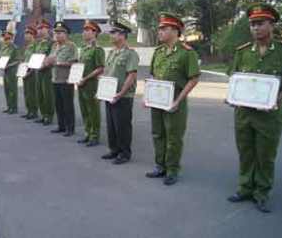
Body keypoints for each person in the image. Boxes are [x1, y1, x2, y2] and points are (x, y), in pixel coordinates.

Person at [226, 3, 282, 213]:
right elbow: (235, 78)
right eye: (252, 24)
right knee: (245, 152)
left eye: (260, 23)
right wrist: (232, 96)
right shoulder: (243, 52)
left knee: (265, 155)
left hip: (269, 116)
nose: (255, 28)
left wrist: (275, 100)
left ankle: (261, 192)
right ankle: (244, 187)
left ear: (272, 25)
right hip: (243, 114)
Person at [146, 12, 201, 186]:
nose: (159, 31)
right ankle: (160, 165)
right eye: (159, 28)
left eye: (164, 28)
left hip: (175, 101)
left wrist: (178, 101)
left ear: (175, 31)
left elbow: (193, 79)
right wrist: (149, 96)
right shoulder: (159, 52)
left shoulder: (186, 53)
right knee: (157, 134)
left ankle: (172, 170)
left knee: (173, 137)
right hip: (157, 101)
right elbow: (154, 76)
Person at [101, 20, 139, 165]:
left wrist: (121, 93)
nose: (111, 36)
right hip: (109, 94)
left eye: (114, 33)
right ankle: (114, 150)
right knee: (111, 124)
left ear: (123, 35)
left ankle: (124, 153)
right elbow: (108, 73)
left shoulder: (130, 53)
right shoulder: (111, 53)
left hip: (123, 96)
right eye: (111, 33)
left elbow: (131, 76)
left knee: (122, 125)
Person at [46, 21, 78, 136]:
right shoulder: (54, 46)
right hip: (55, 79)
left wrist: (58, 62)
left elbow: (74, 62)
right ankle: (61, 126)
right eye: (55, 32)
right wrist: (47, 62)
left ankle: (70, 128)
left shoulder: (71, 46)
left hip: (66, 80)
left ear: (66, 34)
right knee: (58, 105)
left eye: (60, 32)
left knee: (67, 105)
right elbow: (50, 59)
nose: (57, 35)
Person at [77, 20, 105, 147]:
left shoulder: (97, 50)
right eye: (84, 30)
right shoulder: (83, 49)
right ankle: (88, 133)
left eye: (87, 30)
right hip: (81, 84)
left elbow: (100, 68)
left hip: (92, 85)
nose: (84, 33)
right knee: (84, 110)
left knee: (93, 111)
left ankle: (95, 135)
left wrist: (85, 78)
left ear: (95, 33)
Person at [34, 19, 55, 125]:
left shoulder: (52, 43)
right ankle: (42, 115)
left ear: (47, 29)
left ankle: (49, 116)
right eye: (38, 29)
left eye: (42, 28)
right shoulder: (38, 44)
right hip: (38, 71)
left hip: (47, 72)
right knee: (39, 94)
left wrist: (43, 65)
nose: (40, 30)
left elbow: (51, 57)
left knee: (48, 95)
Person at [0, 21, 22, 114]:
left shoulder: (15, 48)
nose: (7, 40)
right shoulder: (4, 48)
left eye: (8, 38)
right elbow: (1, 59)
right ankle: (9, 106)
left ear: (12, 39)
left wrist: (9, 65)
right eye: (5, 39)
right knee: (7, 89)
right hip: (5, 71)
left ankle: (14, 108)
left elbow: (19, 60)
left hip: (12, 71)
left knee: (13, 90)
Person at [21, 25, 39, 120]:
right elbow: (25, 61)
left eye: (27, 34)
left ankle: (34, 112)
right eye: (25, 34)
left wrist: (29, 72)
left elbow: (36, 61)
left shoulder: (36, 46)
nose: (25, 36)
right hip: (25, 72)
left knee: (32, 93)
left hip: (32, 73)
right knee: (26, 93)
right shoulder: (28, 47)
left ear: (33, 35)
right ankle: (29, 111)